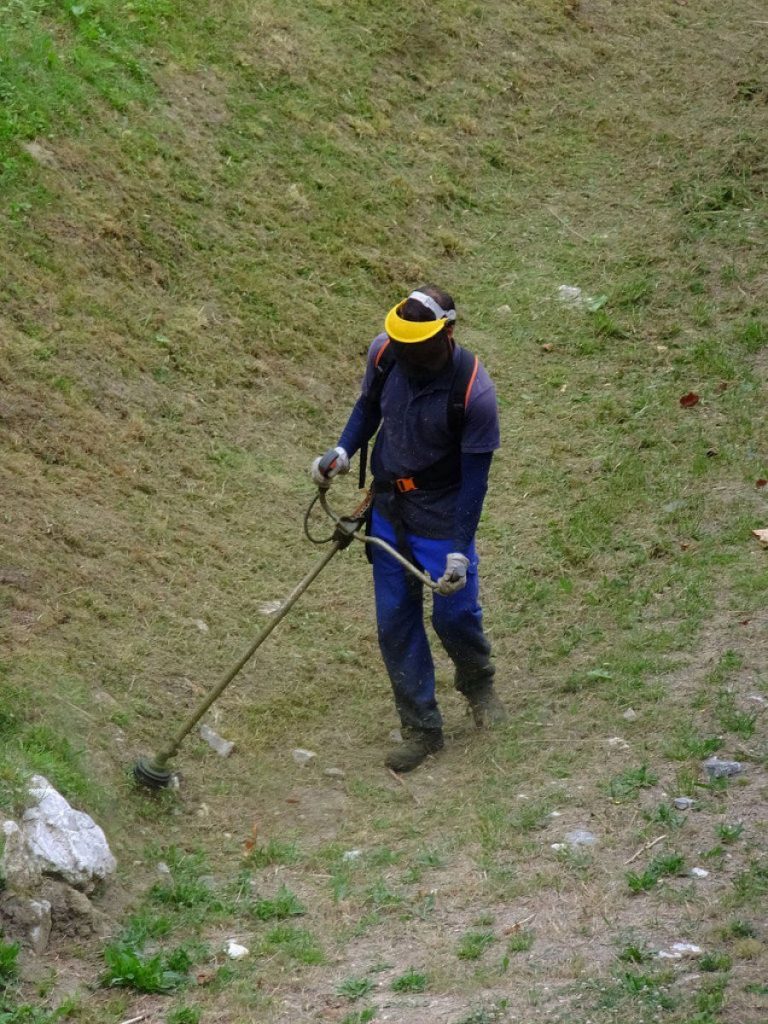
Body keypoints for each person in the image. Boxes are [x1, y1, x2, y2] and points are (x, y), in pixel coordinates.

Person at [311, 285, 506, 772]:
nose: (406, 354)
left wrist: (459, 549)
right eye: (401, 343)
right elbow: (368, 408)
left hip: (443, 514)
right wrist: (342, 450)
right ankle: (421, 727)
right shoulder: (385, 354)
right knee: (395, 620)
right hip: (389, 508)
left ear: (448, 333)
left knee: (454, 616)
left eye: (417, 345)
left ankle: (478, 682)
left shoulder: (474, 394)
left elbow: (475, 481)